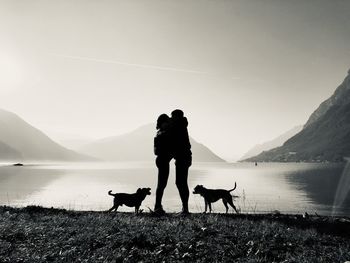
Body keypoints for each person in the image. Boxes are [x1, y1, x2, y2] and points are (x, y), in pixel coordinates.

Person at [153, 109, 192, 215]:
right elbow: (158, 150)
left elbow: (175, 146)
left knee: (180, 183)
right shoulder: (167, 130)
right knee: (166, 183)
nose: (171, 120)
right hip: (169, 158)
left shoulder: (179, 125)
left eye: (172, 117)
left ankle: (184, 209)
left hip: (181, 157)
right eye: (169, 119)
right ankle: (158, 206)